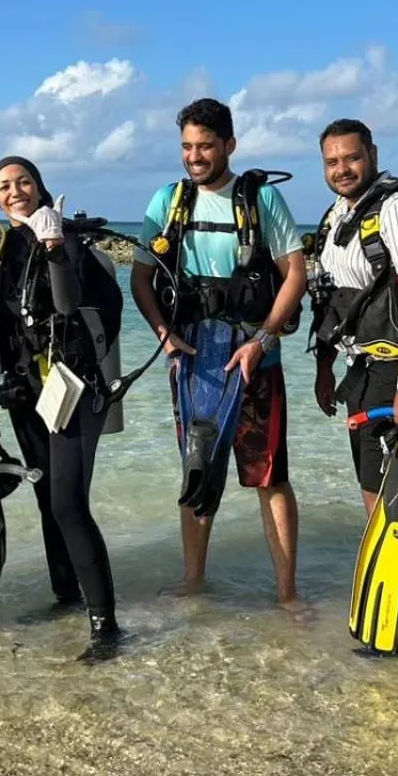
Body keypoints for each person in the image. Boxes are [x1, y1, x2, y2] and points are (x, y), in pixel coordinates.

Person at [130, 98, 308, 606]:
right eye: (187, 146)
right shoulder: (168, 202)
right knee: (197, 467)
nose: (195, 156)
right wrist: (164, 333)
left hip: (256, 358)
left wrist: (263, 339)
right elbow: (140, 279)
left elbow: (295, 273)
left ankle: (287, 593)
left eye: (205, 145)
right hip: (192, 359)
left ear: (229, 145)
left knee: (269, 476)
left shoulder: (260, 200)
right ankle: (193, 581)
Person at [0, 155, 125, 662]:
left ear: (41, 186)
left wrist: (53, 245)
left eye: (24, 181)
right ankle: (66, 596)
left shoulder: (68, 239)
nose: (15, 191)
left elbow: (68, 305)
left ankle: (106, 626)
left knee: (68, 503)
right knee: (46, 499)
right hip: (26, 392)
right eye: (4, 185)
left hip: (74, 386)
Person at [308, 118, 398, 510]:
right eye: (331, 161)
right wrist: (325, 368)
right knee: (374, 487)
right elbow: (334, 298)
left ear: (372, 155)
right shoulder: (338, 215)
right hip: (363, 369)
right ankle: (387, 569)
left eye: (352, 157)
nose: (341, 169)